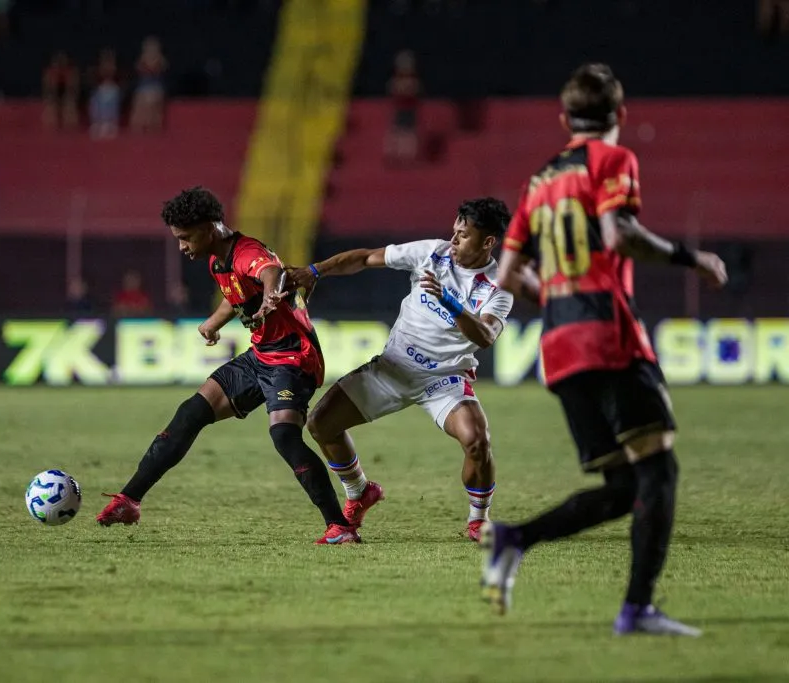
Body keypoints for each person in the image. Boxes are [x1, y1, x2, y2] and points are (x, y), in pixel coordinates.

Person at [479, 63, 727, 635]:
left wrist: (559, 293)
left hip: (559, 345)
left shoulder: (538, 180)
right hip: (608, 334)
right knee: (659, 470)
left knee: (625, 488)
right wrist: (695, 259)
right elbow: (621, 235)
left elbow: (510, 273)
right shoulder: (613, 161)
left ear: (564, 119)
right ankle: (637, 608)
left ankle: (515, 539)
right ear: (620, 115)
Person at [97, 186, 359, 544]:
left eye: (186, 237)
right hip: (261, 354)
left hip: (294, 356)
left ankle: (340, 528)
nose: (182, 246)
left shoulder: (246, 251)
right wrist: (212, 323)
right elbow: (234, 295)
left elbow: (272, 272)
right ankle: (129, 499)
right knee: (191, 412)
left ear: (210, 227)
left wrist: (271, 295)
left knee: (284, 435)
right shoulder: (216, 260)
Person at [287, 198, 514, 541]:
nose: (453, 240)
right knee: (320, 423)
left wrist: (449, 302)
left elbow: (485, 336)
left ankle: (478, 521)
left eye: (463, 235)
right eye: (454, 230)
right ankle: (360, 491)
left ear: (488, 242)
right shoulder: (430, 253)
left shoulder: (497, 286)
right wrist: (315, 270)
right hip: (394, 368)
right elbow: (365, 258)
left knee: (478, 441)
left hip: (444, 379)